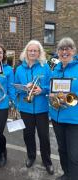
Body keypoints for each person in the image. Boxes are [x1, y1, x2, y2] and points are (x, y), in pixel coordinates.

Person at [15, 40, 54, 175]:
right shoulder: (19, 69)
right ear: (26, 52)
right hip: (26, 109)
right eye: (30, 50)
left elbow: (51, 86)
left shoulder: (45, 67)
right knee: (28, 135)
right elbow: (16, 88)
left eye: (35, 50)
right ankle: (31, 156)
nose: (32, 52)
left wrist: (41, 90)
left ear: (39, 53)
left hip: (42, 109)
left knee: (44, 136)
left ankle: (47, 161)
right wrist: (24, 88)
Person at [49, 37, 78, 180]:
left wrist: (68, 97)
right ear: (58, 52)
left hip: (74, 119)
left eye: (68, 48)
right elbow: (52, 90)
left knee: (74, 153)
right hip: (57, 117)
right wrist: (51, 95)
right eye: (61, 49)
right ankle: (67, 174)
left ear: (73, 50)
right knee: (62, 150)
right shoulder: (55, 69)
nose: (64, 51)